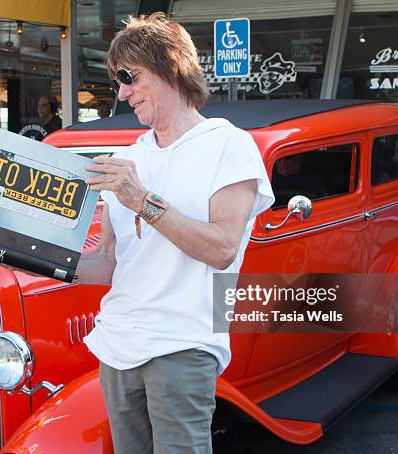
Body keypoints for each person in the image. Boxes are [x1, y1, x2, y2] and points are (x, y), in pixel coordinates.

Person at [78, 13, 274, 454]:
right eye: (117, 82)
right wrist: (27, 255)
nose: (123, 93)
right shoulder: (125, 157)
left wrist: (141, 200)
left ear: (170, 66)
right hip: (117, 342)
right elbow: (108, 262)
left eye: (129, 77)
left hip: (184, 343)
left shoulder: (230, 145)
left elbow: (223, 248)